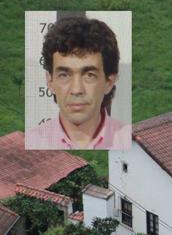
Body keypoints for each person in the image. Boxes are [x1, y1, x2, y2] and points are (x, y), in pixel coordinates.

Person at [26, 16, 131, 150]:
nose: (76, 90)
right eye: (64, 75)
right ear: (50, 82)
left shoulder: (131, 140)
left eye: (89, 75)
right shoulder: (31, 142)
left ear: (109, 82)